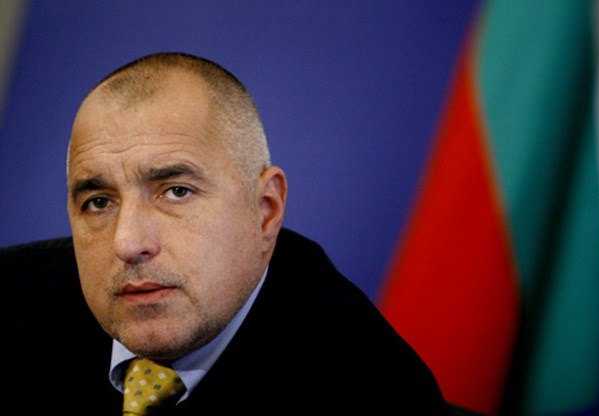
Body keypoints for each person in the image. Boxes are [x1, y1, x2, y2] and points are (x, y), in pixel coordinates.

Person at [2, 52, 456, 415]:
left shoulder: (370, 391)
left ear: (265, 210)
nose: (128, 243)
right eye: (99, 202)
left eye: (176, 192)